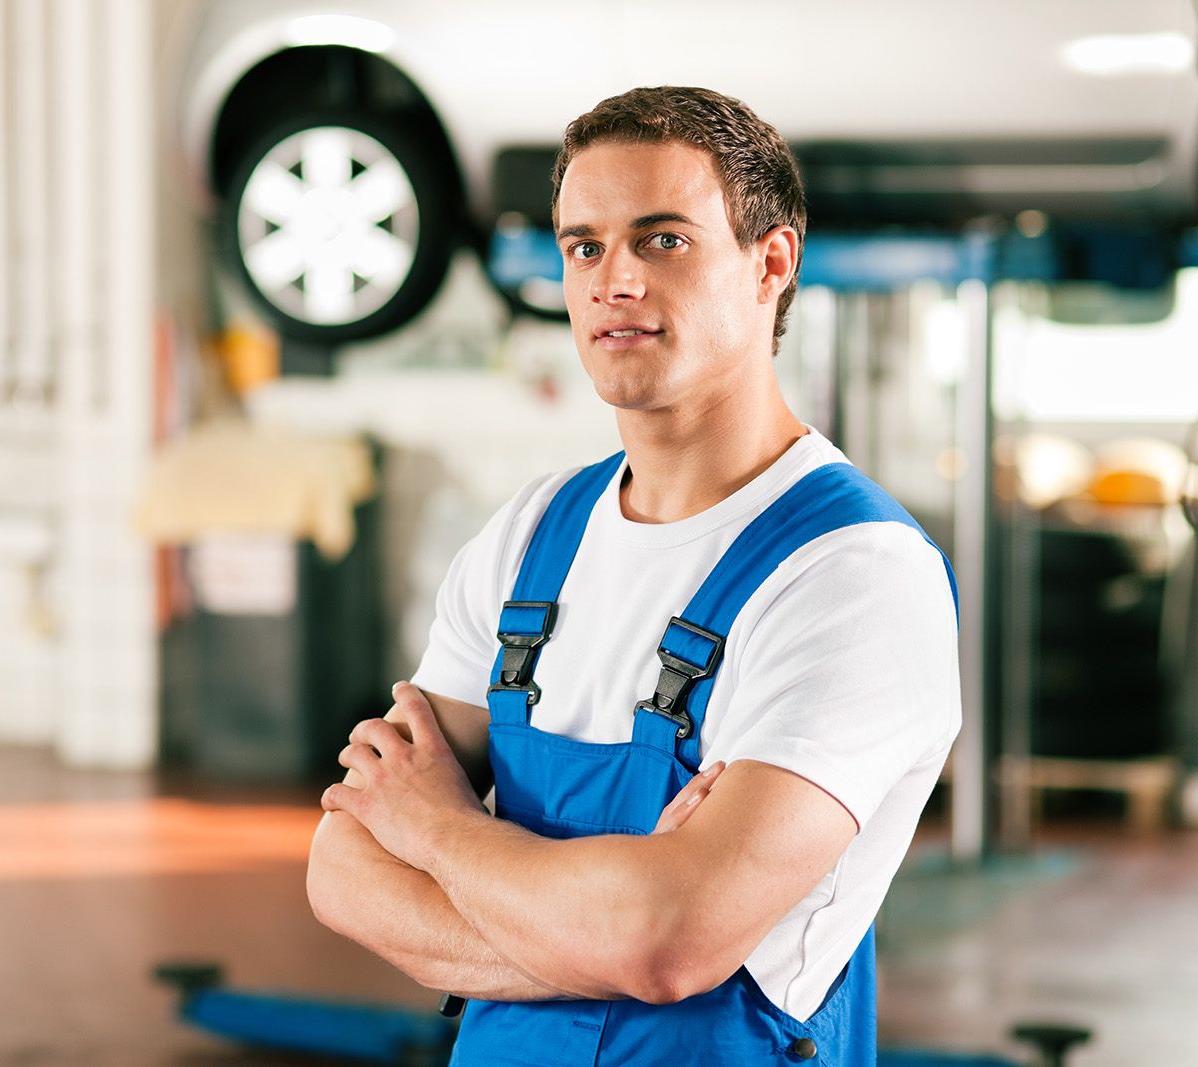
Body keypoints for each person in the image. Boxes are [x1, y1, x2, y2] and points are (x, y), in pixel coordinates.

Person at [306, 85, 960, 1066]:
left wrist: (438, 829)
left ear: (769, 262)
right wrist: (606, 921)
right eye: (584, 246)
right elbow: (343, 868)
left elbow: (667, 939)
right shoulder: (531, 536)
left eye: (662, 240)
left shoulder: (855, 575)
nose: (614, 280)